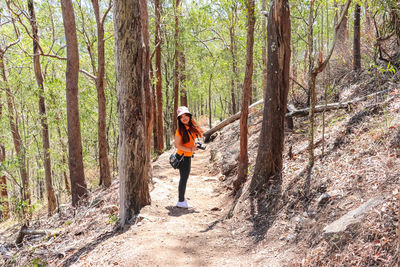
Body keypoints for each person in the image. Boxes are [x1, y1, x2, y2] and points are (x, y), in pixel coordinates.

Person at [174, 106, 204, 208]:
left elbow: (193, 140)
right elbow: (177, 145)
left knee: (184, 178)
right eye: (181, 117)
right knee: (183, 178)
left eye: (186, 115)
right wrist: (191, 149)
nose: (184, 118)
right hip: (182, 157)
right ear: (179, 119)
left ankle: (181, 199)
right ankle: (181, 201)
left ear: (190, 116)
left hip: (187, 156)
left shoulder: (192, 128)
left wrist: (196, 145)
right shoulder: (180, 130)